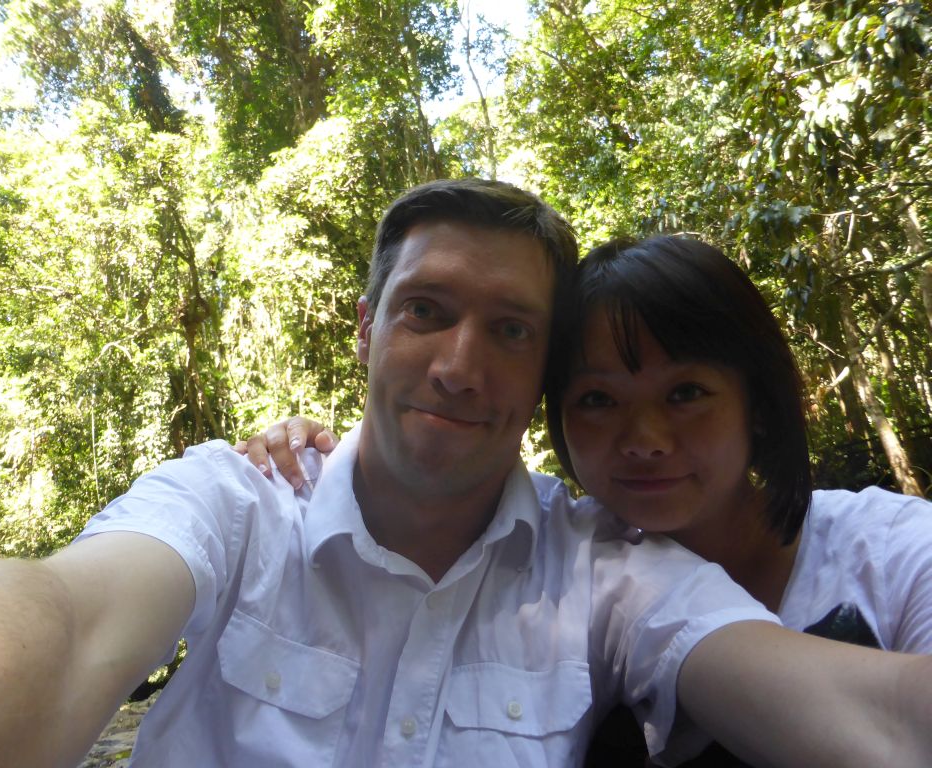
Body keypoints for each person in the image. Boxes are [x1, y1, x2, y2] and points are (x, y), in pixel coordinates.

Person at [0, 181, 931, 768]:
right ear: (365, 331)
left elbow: (860, 712)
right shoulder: (234, 506)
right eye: (427, 311)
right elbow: (56, 622)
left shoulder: (609, 573)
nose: (457, 365)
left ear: (537, 374)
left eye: (511, 330)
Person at [253, 233, 932, 766]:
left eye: (686, 393)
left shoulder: (897, 553)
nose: (645, 440)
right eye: (599, 400)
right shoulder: (560, 574)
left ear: (757, 401)